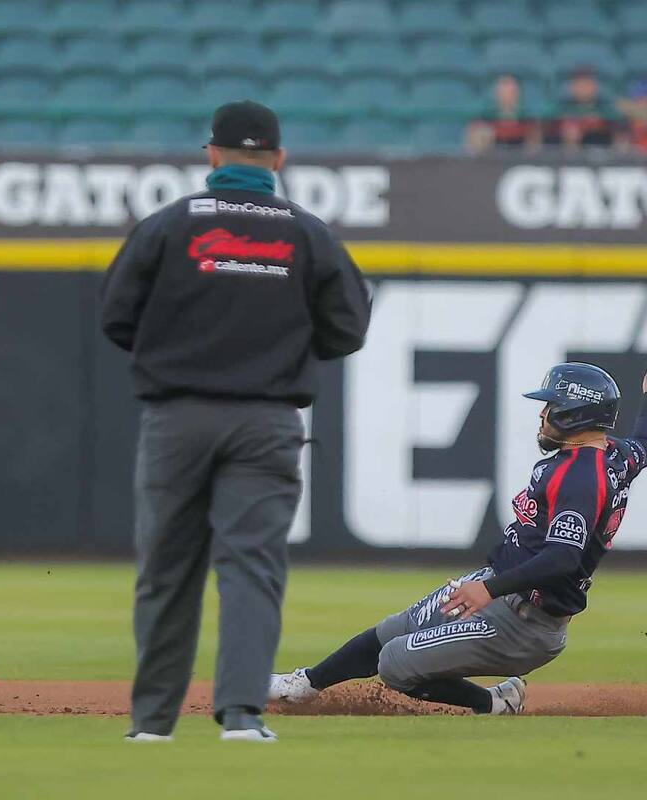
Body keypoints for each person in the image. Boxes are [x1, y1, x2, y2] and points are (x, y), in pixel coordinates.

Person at [101, 100, 371, 743]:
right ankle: (243, 716)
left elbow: (115, 315)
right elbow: (349, 327)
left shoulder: (169, 225)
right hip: (266, 420)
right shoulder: (307, 233)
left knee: (167, 571)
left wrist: (176, 348)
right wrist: (282, 348)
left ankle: (152, 724)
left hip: (176, 418)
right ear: (278, 159)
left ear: (213, 154)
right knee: (252, 567)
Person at [271, 363, 641, 715]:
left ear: (575, 415)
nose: (543, 414)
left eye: (552, 406)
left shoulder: (580, 477)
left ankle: (494, 703)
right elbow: (643, 440)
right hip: (503, 587)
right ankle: (303, 684)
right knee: (393, 629)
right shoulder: (615, 455)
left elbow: (562, 559)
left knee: (395, 662)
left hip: (527, 622)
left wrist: (488, 589)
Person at [465, 74, 539, 154]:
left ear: (518, 93)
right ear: (495, 93)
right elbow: (470, 151)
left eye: (511, 92)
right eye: (502, 91)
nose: (506, 96)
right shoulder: (481, 121)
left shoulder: (529, 123)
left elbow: (535, 151)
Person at [549, 67, 616, 149]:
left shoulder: (605, 108)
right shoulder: (563, 107)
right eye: (579, 84)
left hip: (598, 146)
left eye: (587, 84)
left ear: (595, 87)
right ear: (572, 87)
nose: (583, 88)